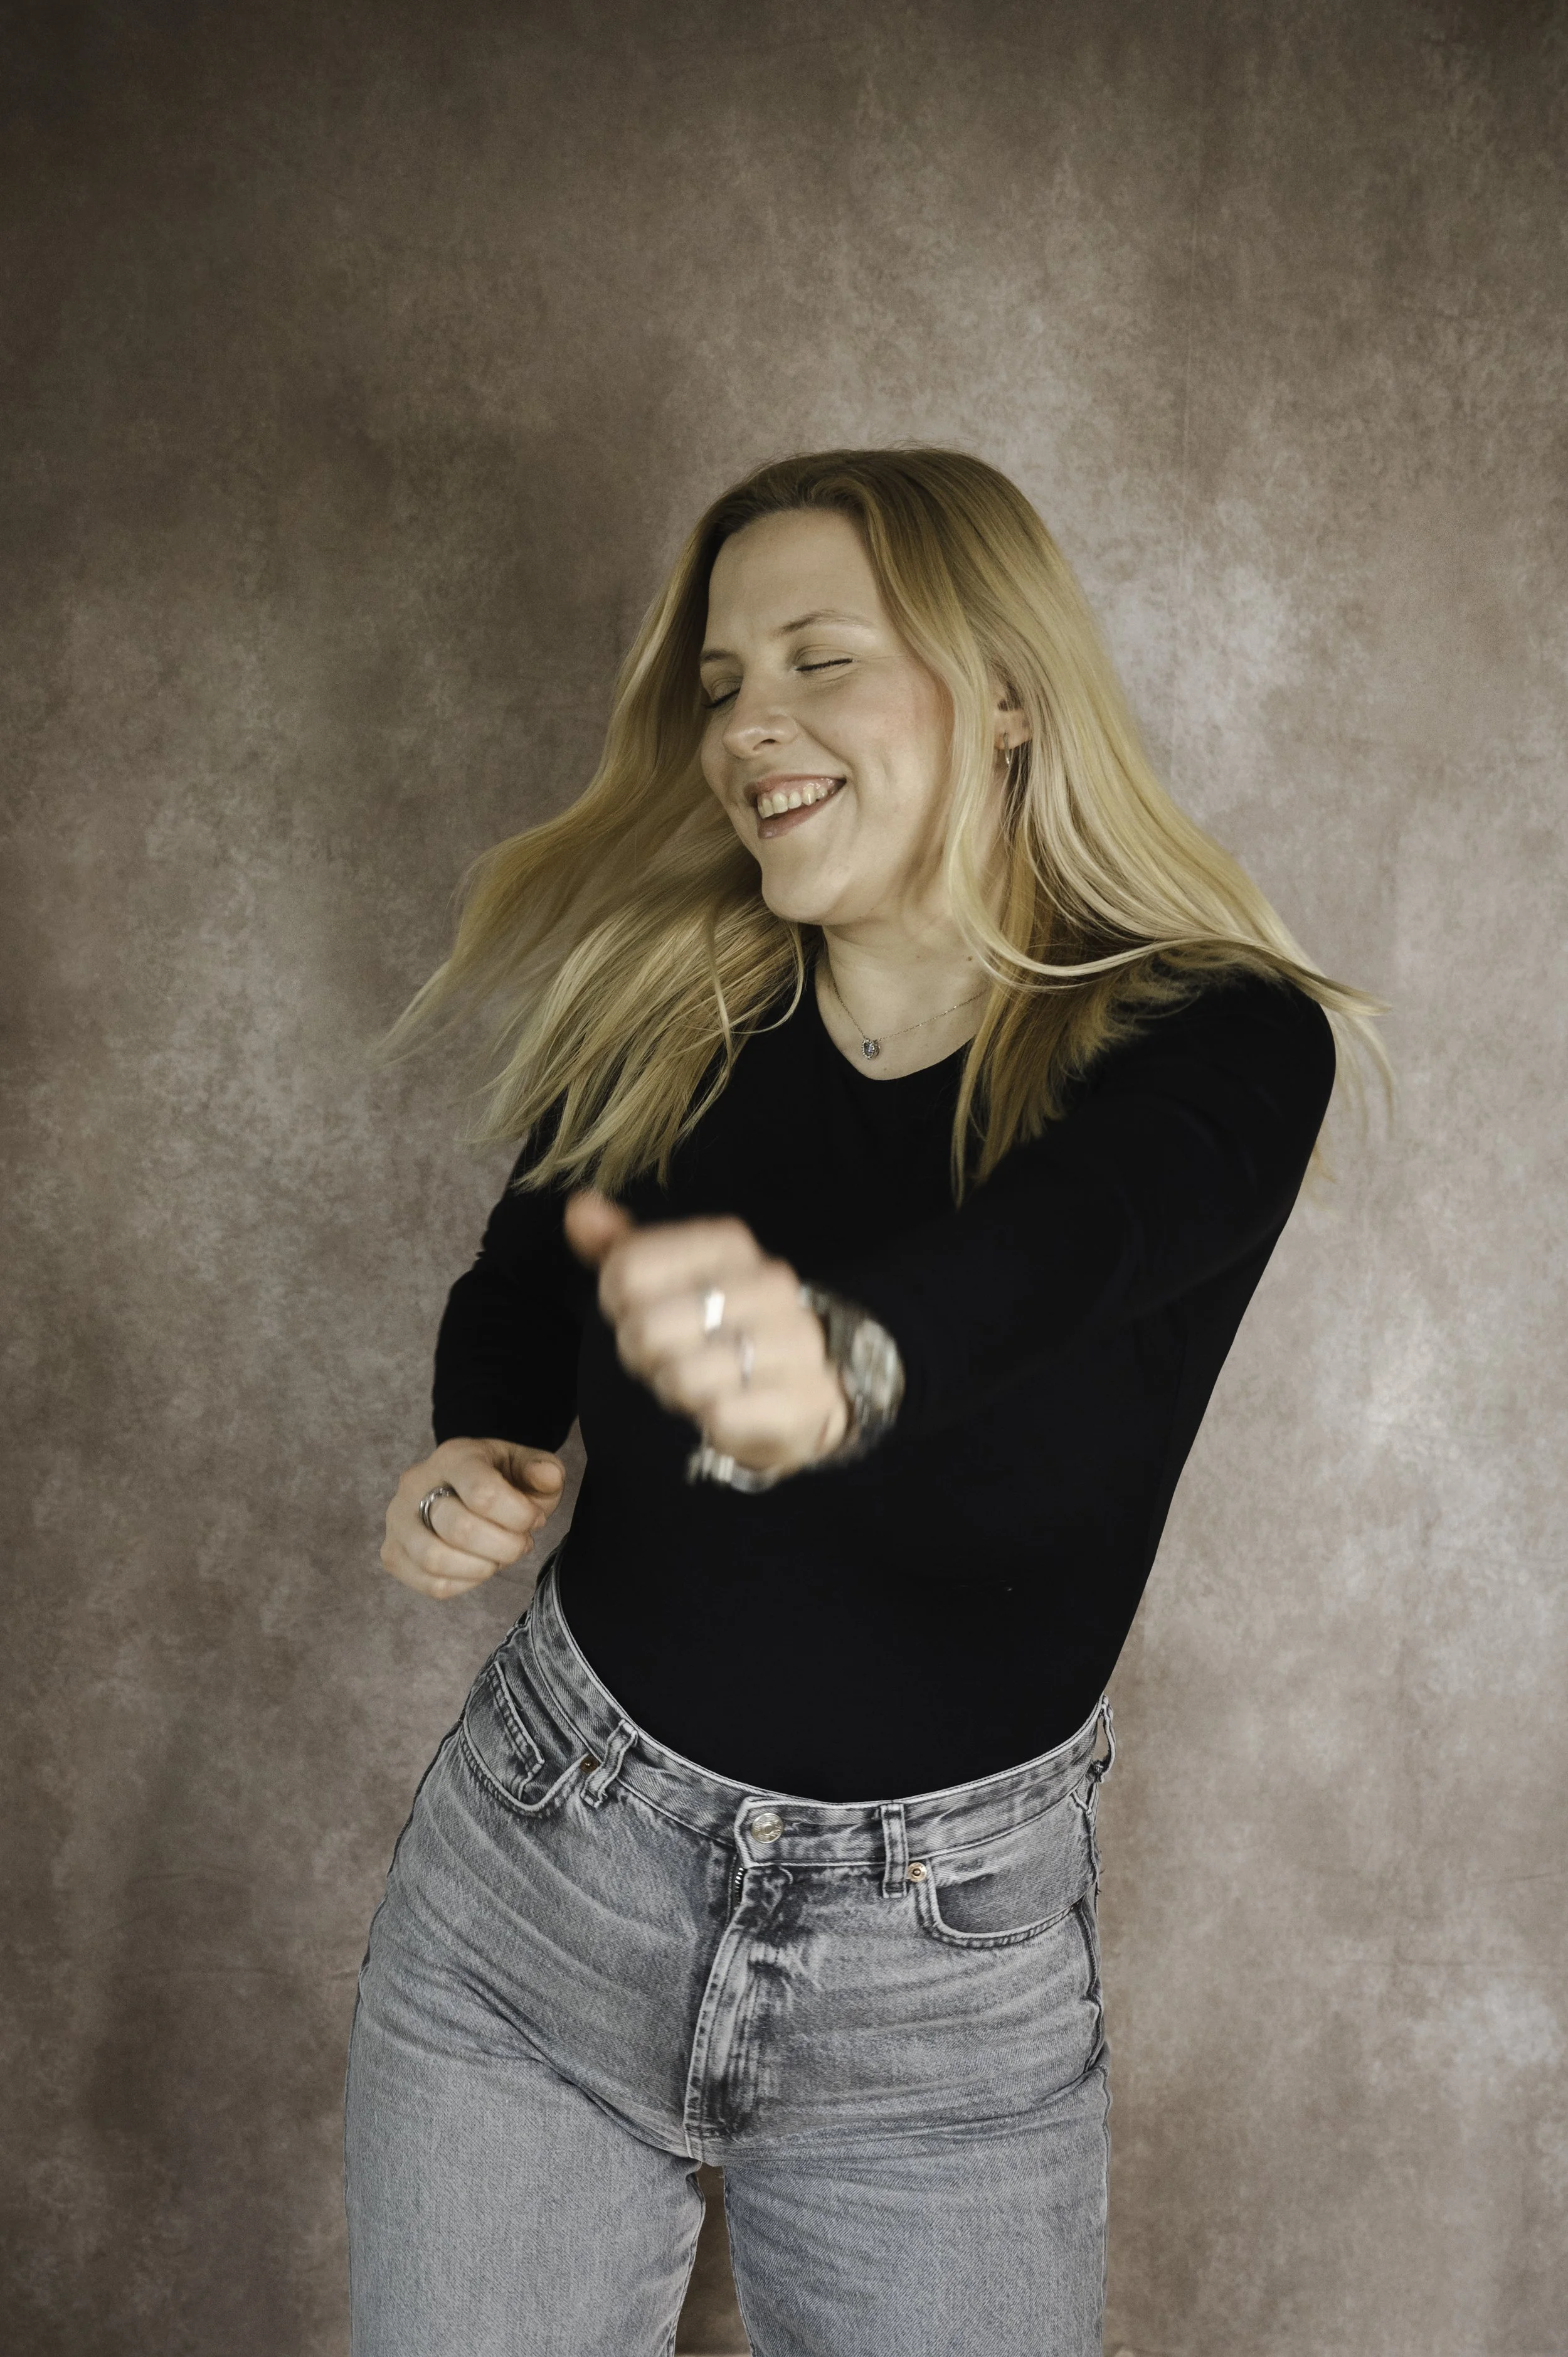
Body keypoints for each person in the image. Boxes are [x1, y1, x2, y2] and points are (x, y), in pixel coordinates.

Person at [346, 448, 1381, 2356]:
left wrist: (848, 1360)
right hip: (537, 1894)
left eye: (819, 658)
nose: (752, 728)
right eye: (725, 682)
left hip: (941, 2002)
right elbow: (521, 1272)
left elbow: (1070, 1242)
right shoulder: (677, 996)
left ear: (1002, 692)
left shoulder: (1222, 1045)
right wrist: (483, 1441)